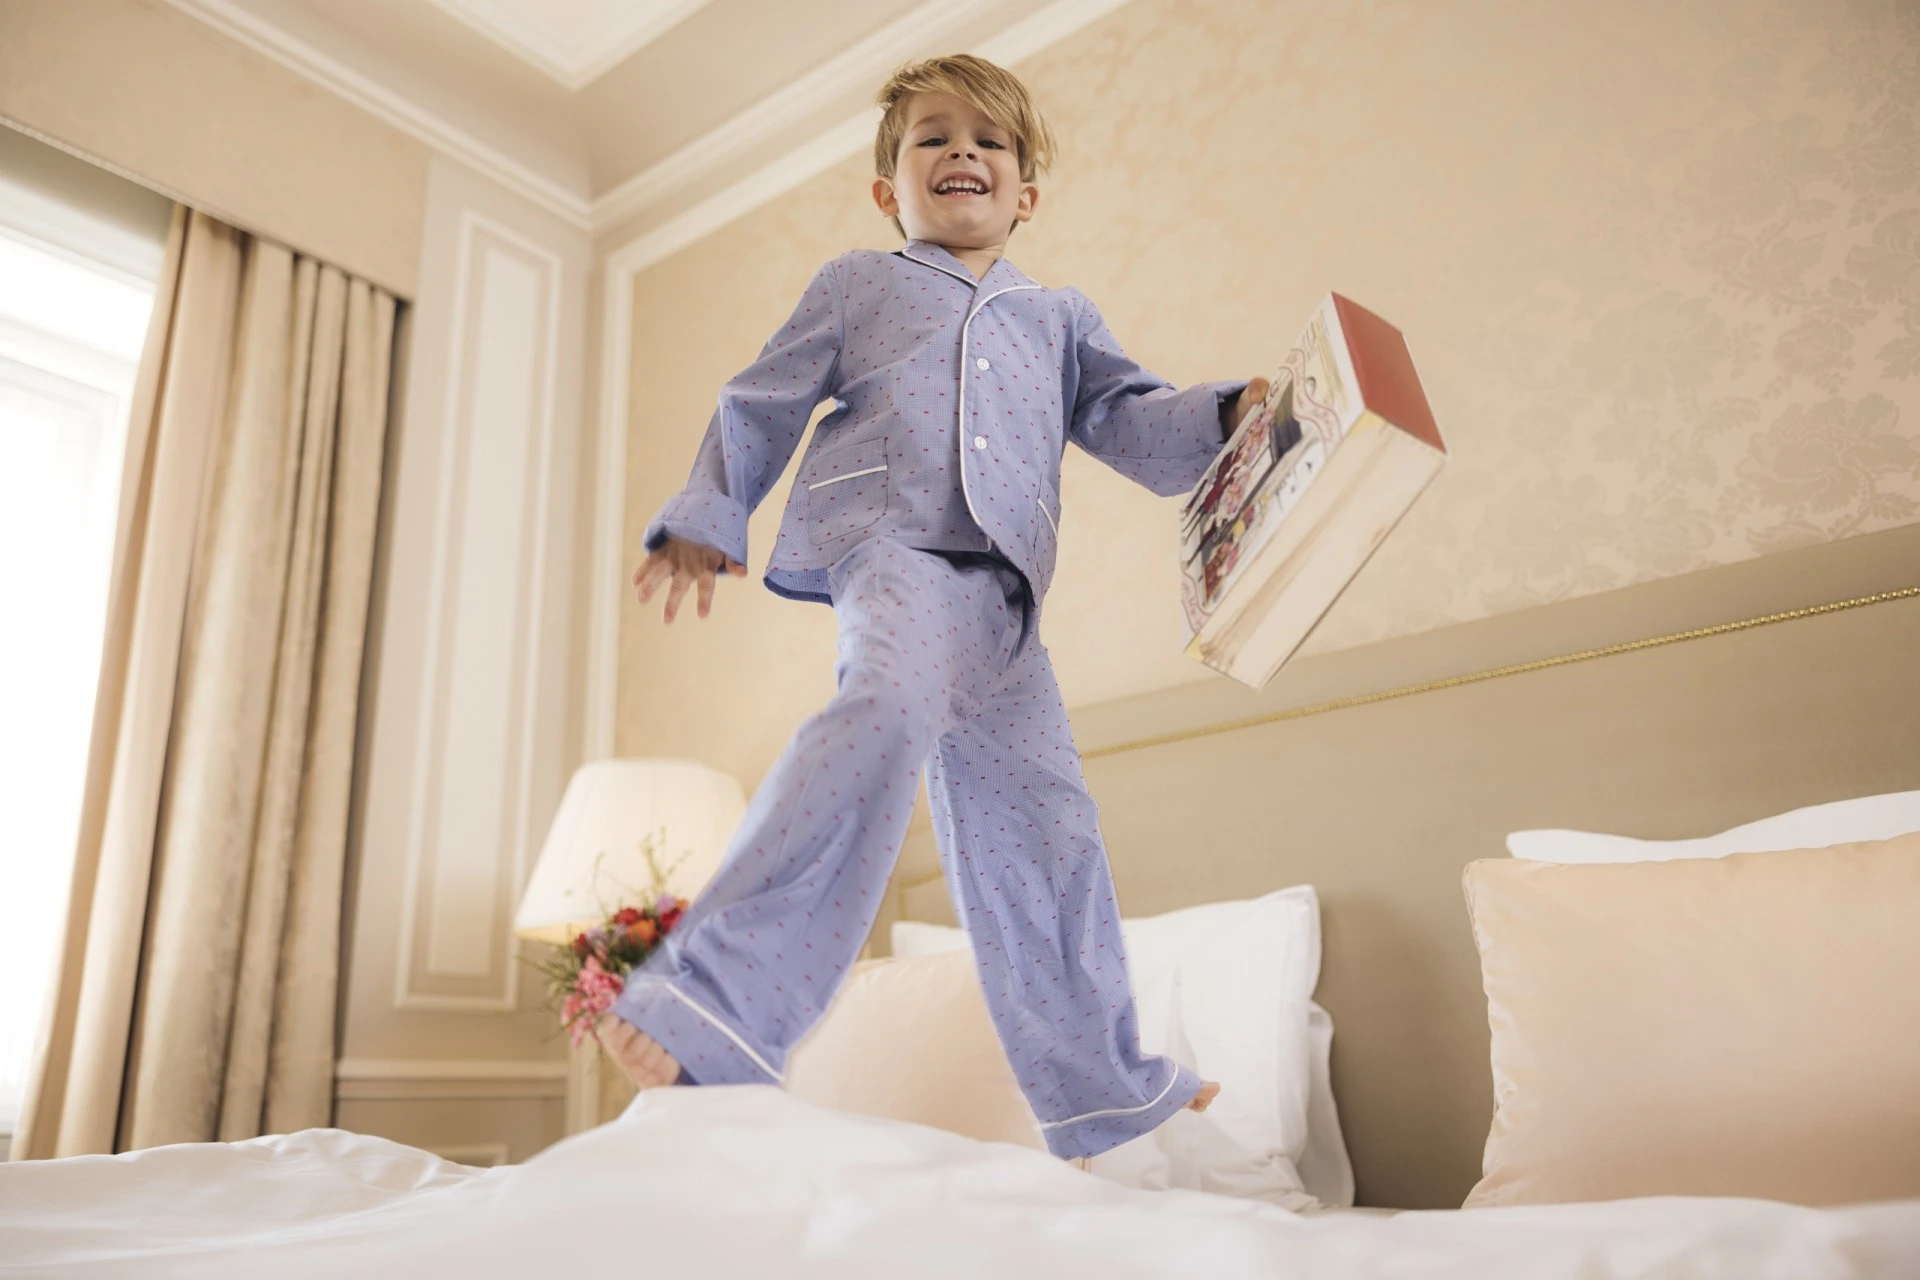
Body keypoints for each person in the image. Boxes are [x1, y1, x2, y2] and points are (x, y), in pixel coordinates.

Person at [598, 53, 1267, 1161]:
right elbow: (757, 400)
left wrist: (1238, 410)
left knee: (1045, 833)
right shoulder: (857, 287)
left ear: (1026, 194)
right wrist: (707, 511)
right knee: (883, 711)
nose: (964, 151)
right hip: (894, 552)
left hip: (1004, 607)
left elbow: (1137, 420)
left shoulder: (1057, 316)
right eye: (932, 137)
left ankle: (1102, 1084)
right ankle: (708, 1003)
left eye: (991, 141)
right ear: (888, 189)